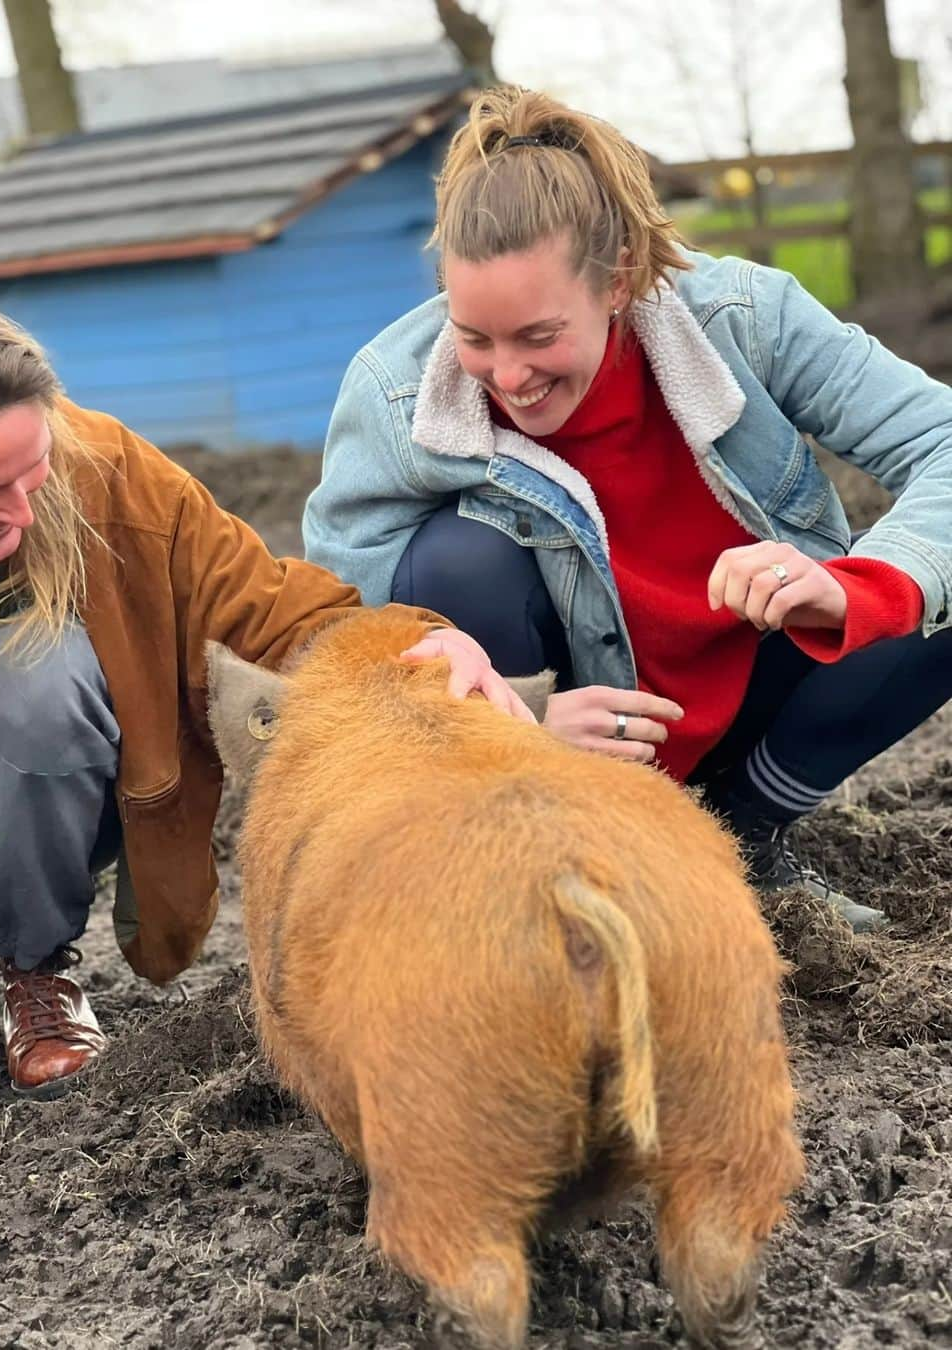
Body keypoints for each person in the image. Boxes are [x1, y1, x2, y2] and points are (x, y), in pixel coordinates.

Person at [304, 85, 952, 935]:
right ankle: (545, 858)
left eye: (539, 337)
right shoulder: (394, 393)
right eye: (475, 336)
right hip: (562, 737)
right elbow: (331, 632)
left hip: (744, 680)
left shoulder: (742, 316)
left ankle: (745, 833)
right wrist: (519, 725)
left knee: (935, 578)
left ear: (619, 282)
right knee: (455, 560)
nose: (507, 374)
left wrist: (861, 584)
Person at [0, 289, 526, 1096]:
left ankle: (38, 973)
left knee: (41, 672)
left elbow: (274, 614)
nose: (21, 509)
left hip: (47, 813)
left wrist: (420, 646)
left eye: (33, 469)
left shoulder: (109, 475)